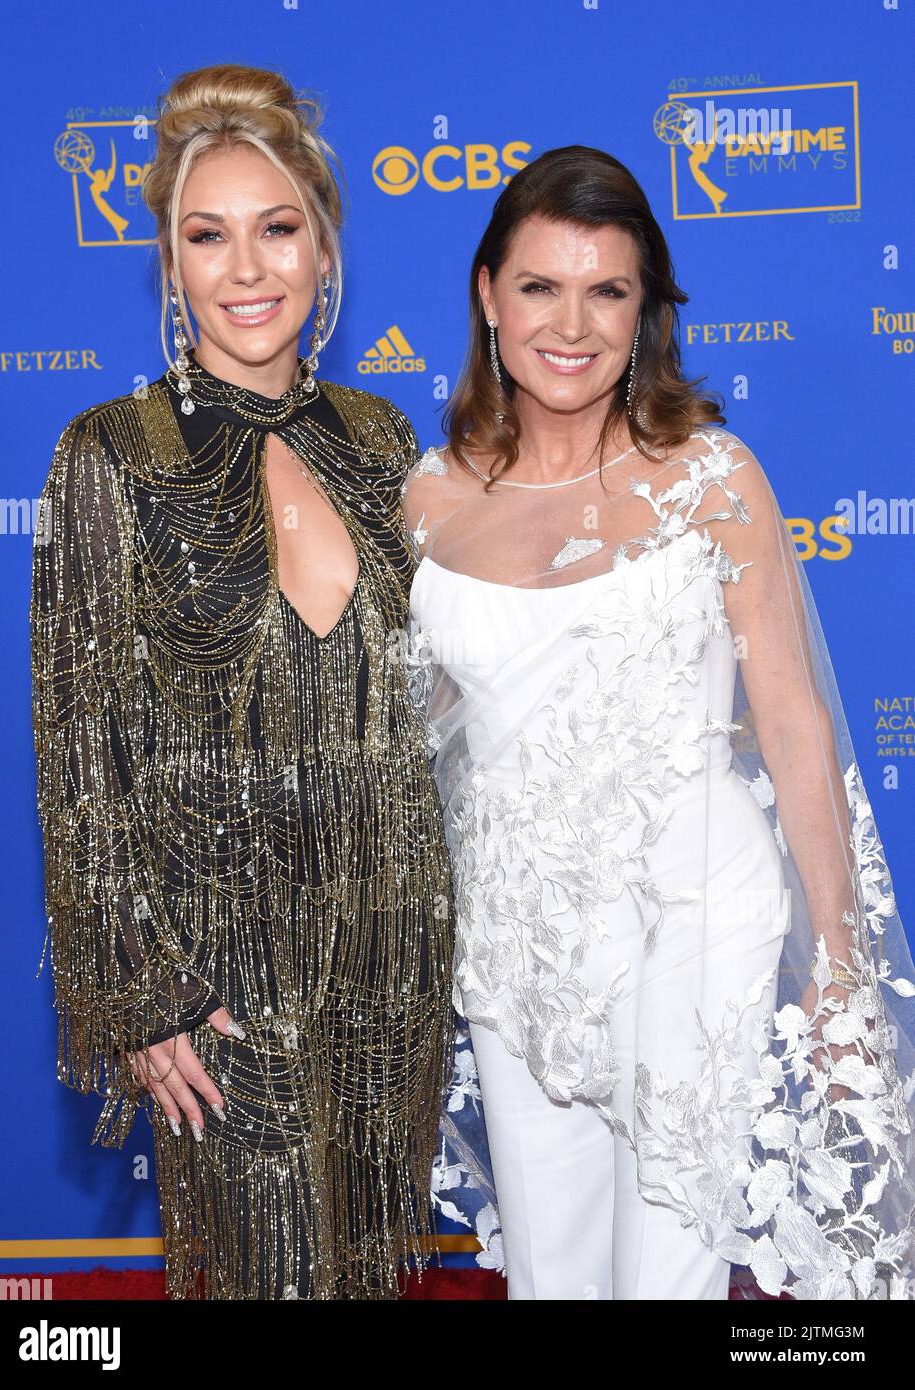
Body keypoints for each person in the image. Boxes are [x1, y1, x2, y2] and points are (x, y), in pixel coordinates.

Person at [403, 145, 915, 1301]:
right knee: (549, 1274)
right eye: (539, 287)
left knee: (669, 1273)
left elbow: (790, 719)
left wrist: (835, 975)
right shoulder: (427, 497)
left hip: (692, 913)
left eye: (607, 290)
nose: (570, 323)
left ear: (647, 313)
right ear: (489, 295)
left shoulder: (711, 476)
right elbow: (417, 742)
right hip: (516, 944)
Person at [30, 63, 456, 1300]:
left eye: (277, 230)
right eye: (206, 237)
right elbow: (78, 750)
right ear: (170, 264)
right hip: (218, 974)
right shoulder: (111, 451)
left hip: (391, 947)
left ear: (326, 249)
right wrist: (143, 989)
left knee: (375, 1278)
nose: (247, 269)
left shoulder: (382, 443)